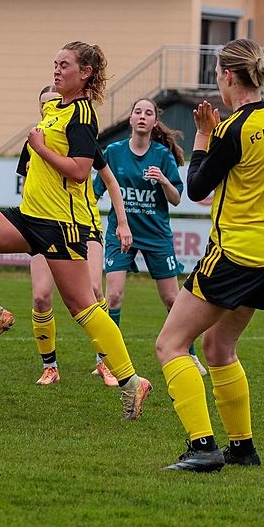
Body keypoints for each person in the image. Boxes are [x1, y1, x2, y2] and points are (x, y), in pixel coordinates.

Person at [0, 41, 152, 421]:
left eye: (64, 64)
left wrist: (40, 147)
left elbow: (81, 171)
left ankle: (131, 381)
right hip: (28, 216)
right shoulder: (55, 107)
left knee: (82, 306)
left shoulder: (84, 116)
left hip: (59, 225)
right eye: (54, 63)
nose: (56, 70)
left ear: (84, 73)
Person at [155, 39, 264, 471]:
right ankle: (243, 448)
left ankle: (202, 448)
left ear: (227, 76)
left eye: (217, 74)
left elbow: (196, 189)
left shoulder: (231, 127)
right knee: (219, 347)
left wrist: (203, 134)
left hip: (234, 252)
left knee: (170, 344)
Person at [24, 86, 133, 387]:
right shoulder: (34, 140)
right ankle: (50, 367)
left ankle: (105, 363)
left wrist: (122, 222)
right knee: (40, 295)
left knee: (94, 292)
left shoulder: (80, 138)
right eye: (44, 104)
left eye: (54, 103)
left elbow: (109, 182)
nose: (51, 108)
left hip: (82, 226)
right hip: (43, 226)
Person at [93, 98, 207, 376]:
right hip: (121, 233)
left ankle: (190, 354)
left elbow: (177, 199)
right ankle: (107, 360)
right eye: (137, 112)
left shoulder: (162, 155)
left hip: (156, 235)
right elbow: (95, 192)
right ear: (130, 119)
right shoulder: (114, 152)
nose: (142, 116)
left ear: (155, 122)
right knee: (115, 295)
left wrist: (164, 181)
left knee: (171, 298)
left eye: (148, 113)